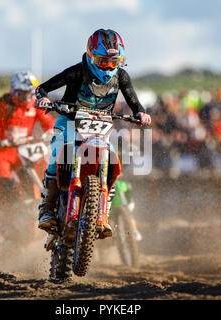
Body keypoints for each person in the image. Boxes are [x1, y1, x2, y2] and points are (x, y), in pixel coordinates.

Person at [34, 29, 151, 237]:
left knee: (112, 159)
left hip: (100, 124)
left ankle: (103, 215)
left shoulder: (121, 76)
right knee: (58, 153)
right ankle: (46, 209)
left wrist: (140, 113)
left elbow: (134, 101)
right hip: (69, 120)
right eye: (102, 61)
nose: (108, 67)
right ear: (90, 55)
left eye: (113, 62)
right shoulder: (77, 72)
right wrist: (43, 98)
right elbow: (44, 87)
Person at [0, 71, 55, 215]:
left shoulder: (35, 104)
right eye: (22, 95)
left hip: (23, 149)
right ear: (14, 92)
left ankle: (33, 205)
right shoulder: (5, 103)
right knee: (2, 180)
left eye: (30, 94)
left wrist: (53, 132)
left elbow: (47, 120)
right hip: (3, 150)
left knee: (32, 174)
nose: (27, 98)